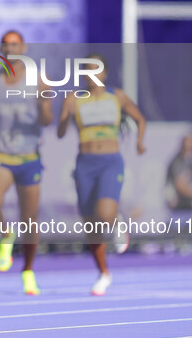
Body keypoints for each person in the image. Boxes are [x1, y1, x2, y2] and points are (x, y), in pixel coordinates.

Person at [0, 31, 53, 295]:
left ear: (23, 48)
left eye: (15, 44)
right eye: (6, 44)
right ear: (1, 48)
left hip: (28, 156)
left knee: (30, 219)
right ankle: (6, 234)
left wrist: (42, 106)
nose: (10, 48)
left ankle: (28, 271)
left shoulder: (37, 80)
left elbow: (47, 120)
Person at [57, 55, 146, 296]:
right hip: (85, 164)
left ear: (105, 73)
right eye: (87, 69)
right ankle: (104, 273)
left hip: (109, 162)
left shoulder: (116, 96)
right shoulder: (75, 99)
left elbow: (139, 118)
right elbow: (61, 132)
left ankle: (118, 223)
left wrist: (139, 142)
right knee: (90, 224)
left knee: (105, 214)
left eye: (97, 69)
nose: (92, 74)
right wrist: (65, 116)